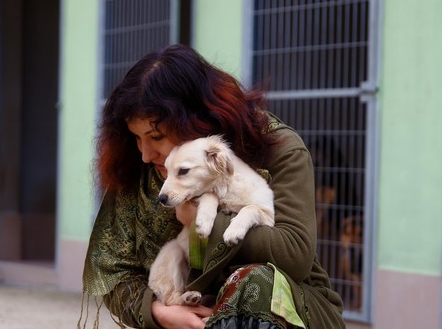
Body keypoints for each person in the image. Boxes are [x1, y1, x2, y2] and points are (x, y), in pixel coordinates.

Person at [82, 44, 345, 329]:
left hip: (290, 310)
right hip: (184, 309)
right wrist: (159, 313)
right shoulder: (143, 167)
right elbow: (114, 269)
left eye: (156, 136)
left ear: (197, 120)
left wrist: (203, 221)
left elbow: (294, 255)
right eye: (137, 138)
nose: (145, 153)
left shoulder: (277, 148)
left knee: (253, 283)